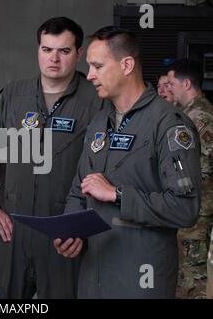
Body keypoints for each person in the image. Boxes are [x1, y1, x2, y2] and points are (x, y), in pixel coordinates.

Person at [54, 26, 202, 298]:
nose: (90, 75)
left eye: (97, 66)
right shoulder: (99, 123)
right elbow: (80, 189)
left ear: (127, 65)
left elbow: (184, 208)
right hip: (93, 277)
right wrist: (70, 229)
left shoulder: (169, 125)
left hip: (140, 278)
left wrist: (117, 194)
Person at [0, 16, 102, 298]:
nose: (54, 59)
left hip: (65, 237)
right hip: (14, 232)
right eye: (46, 49)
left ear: (78, 54)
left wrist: (81, 226)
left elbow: (109, 170)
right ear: (38, 50)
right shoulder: (14, 95)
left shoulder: (96, 101)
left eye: (64, 51)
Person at [167, 59, 213, 299]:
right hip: (191, 208)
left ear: (186, 84)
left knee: (193, 277)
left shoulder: (199, 117)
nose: (169, 89)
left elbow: (201, 169)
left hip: (197, 209)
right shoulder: (188, 114)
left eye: (172, 83)